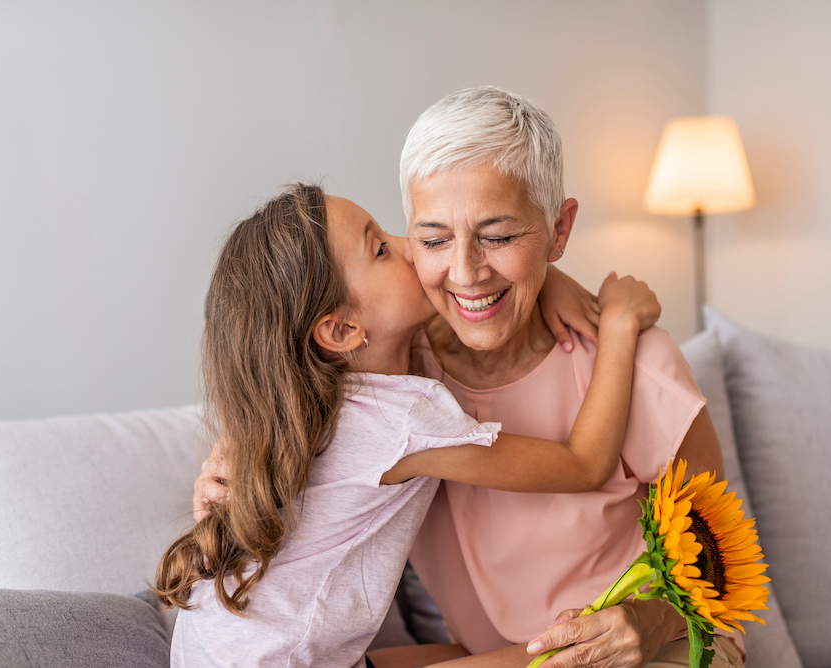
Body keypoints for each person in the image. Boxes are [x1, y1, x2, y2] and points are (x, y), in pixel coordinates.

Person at [197, 87, 741, 668]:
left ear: (560, 229)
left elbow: (721, 571)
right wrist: (230, 451)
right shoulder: (401, 363)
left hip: (653, 649)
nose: (464, 272)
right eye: (431, 239)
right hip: (505, 654)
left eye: (500, 236)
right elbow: (282, 364)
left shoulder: (638, 367)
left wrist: (647, 619)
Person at [155, 182, 661, 668]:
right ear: (342, 329)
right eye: (380, 249)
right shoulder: (398, 420)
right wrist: (617, 327)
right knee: (567, 655)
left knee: (467, 655)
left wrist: (547, 281)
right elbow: (583, 464)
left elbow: (476, 296)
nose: (410, 245)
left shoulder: (310, 397)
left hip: (213, 654)